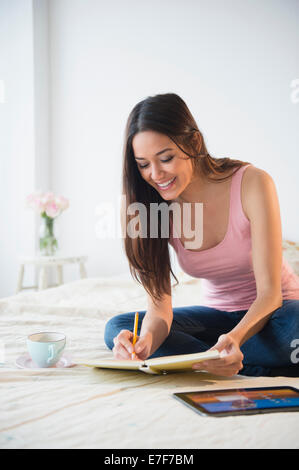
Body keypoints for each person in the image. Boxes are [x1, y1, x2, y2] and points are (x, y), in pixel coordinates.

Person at [104, 93, 299, 377]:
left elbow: (270, 296)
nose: (156, 174)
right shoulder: (147, 209)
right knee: (118, 328)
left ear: (193, 142)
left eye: (166, 158)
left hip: (276, 315)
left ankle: (213, 359)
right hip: (216, 321)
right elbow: (159, 311)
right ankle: (232, 363)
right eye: (144, 164)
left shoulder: (252, 183)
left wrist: (235, 338)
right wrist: (145, 342)